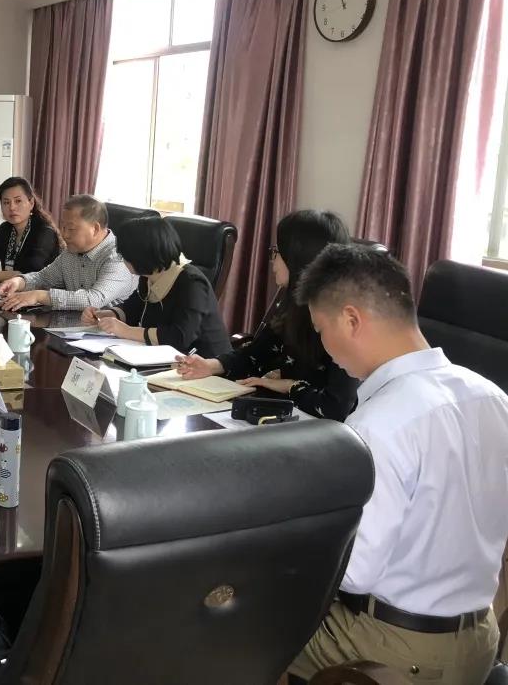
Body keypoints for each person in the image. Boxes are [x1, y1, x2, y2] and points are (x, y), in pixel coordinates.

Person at [287, 244, 508, 684]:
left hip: (395, 649)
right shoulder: (493, 397)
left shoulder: (379, 424)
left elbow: (354, 573)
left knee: (243, 634)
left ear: (351, 319)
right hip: (480, 637)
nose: (324, 348)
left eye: (321, 329)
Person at [176, 209, 357, 421]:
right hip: (284, 416)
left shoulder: (343, 323)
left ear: (298, 258)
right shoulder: (293, 305)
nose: (272, 260)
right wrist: (210, 366)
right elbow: (256, 354)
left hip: (320, 430)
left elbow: (336, 408)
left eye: (276, 251)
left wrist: (290, 386)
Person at [82, 216, 230, 357]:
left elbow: (180, 336)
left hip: (203, 364)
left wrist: (126, 331)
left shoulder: (192, 284)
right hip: (162, 357)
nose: (123, 260)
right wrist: (106, 315)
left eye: (124, 256)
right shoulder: (149, 276)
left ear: (140, 255)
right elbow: (133, 308)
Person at [0, 194, 137, 312]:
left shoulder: (119, 257)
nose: (64, 235)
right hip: (74, 327)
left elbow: (93, 299)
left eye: (70, 229)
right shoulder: (71, 252)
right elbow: (43, 278)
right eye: (62, 227)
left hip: (110, 333)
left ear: (94, 228)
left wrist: (40, 296)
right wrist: (19, 282)